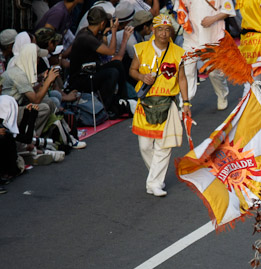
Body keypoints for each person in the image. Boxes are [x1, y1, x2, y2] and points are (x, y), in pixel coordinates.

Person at [129, 13, 190, 197]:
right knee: (145, 146)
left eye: (167, 29)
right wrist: (141, 76)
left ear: (171, 32)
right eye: (160, 29)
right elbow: (132, 70)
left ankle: (154, 183)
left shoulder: (178, 53)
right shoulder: (141, 49)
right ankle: (155, 178)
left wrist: (185, 102)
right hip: (146, 104)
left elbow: (182, 78)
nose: (164, 33)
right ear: (153, 31)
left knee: (164, 146)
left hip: (167, 103)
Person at [68, 6, 133, 119]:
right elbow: (111, 51)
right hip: (81, 79)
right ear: (102, 23)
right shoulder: (86, 37)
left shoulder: (88, 33)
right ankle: (106, 108)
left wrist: (103, 35)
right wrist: (113, 32)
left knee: (117, 64)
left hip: (91, 70)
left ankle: (122, 99)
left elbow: (106, 53)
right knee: (112, 72)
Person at [174, 0, 235, 111]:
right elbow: (180, 8)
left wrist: (213, 19)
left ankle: (222, 94)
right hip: (191, 36)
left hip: (213, 36)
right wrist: (183, 17)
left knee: (214, 72)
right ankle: (184, 105)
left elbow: (228, 10)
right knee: (187, 71)